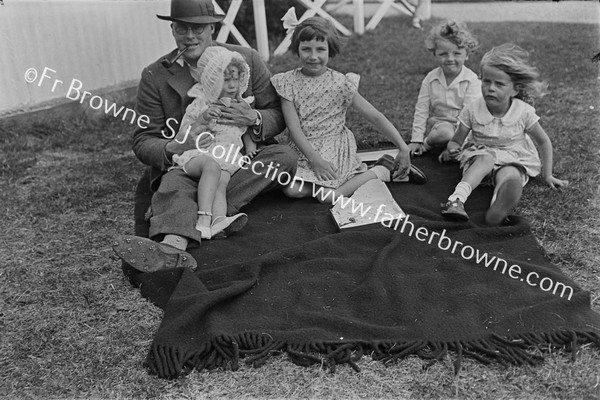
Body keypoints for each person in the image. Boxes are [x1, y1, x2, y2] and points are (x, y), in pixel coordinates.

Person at [112, 0, 295, 273]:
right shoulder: (155, 75)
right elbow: (144, 140)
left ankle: (188, 216)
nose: (189, 36)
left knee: (285, 158)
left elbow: (276, 112)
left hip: (237, 159)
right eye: (182, 28)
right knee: (175, 180)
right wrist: (177, 145)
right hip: (189, 161)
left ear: (213, 26)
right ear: (172, 29)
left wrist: (253, 118)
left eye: (198, 28)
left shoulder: (245, 59)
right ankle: (172, 248)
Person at [271, 11, 427, 204]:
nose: (313, 56)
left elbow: (374, 116)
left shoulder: (341, 83)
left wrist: (403, 147)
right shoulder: (288, 82)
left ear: (331, 50)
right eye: (306, 49)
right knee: (291, 190)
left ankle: (381, 171)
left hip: (334, 146)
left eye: (320, 49)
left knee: (328, 198)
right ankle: (360, 177)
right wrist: (315, 160)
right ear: (297, 48)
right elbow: (293, 128)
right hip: (304, 148)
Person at [439, 43, 569, 225]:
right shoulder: (472, 109)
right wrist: (452, 148)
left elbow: (543, 141)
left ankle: (499, 204)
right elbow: (456, 140)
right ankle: (457, 199)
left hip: (512, 155)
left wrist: (548, 175)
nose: (490, 88)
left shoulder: (523, 112)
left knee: (511, 172)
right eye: (486, 81)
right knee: (485, 159)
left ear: (514, 89)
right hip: (480, 154)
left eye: (499, 84)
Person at [171, 46, 257, 239]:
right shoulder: (202, 104)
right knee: (212, 167)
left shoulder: (241, 106)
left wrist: (250, 148)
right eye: (226, 80)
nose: (232, 85)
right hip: (200, 155)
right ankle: (203, 220)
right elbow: (184, 133)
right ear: (213, 81)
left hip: (227, 158)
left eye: (236, 78)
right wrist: (203, 119)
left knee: (222, 183)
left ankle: (218, 221)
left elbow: (245, 130)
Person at [408, 21, 480, 157]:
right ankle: (427, 145)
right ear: (435, 54)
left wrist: (455, 145)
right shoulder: (431, 78)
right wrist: (416, 139)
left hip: (466, 128)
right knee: (445, 133)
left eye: (457, 53)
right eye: (443, 54)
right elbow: (421, 110)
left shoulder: (472, 80)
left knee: (474, 149)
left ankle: (453, 148)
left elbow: (469, 117)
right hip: (442, 126)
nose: (450, 59)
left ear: (467, 54)